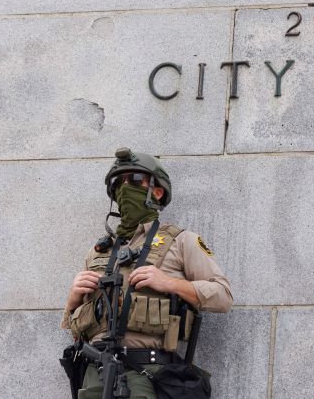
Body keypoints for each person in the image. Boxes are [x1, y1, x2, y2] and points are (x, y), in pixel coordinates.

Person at [61, 147, 233, 399]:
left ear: (157, 190)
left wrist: (170, 283)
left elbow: (223, 296)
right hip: (94, 373)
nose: (124, 187)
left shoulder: (181, 241)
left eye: (134, 180)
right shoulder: (99, 251)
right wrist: (73, 298)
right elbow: (75, 331)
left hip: (147, 372)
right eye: (119, 182)